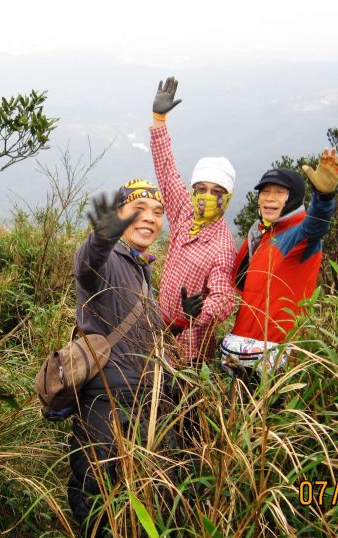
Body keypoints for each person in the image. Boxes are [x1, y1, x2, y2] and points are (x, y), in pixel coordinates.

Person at [69, 180, 196, 538]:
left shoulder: (140, 269)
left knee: (142, 486)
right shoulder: (108, 259)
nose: (150, 218)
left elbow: (138, 331)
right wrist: (101, 237)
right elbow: (87, 265)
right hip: (105, 397)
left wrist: (178, 322)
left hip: (141, 397)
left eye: (157, 212)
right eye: (138, 209)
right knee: (94, 488)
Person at [220, 150, 338, 386]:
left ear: (294, 198)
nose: (269, 198)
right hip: (242, 350)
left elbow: (317, 225)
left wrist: (324, 197)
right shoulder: (263, 234)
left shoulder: (298, 235)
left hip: (274, 357)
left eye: (280, 193)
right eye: (265, 192)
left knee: (267, 409)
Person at [149, 76, 238, 366]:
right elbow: (167, 171)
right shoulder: (185, 213)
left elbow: (224, 295)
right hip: (159, 328)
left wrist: (199, 312)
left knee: (176, 391)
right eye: (201, 189)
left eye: (216, 192)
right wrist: (159, 120)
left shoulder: (222, 245)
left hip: (189, 347)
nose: (206, 197)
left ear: (227, 197)